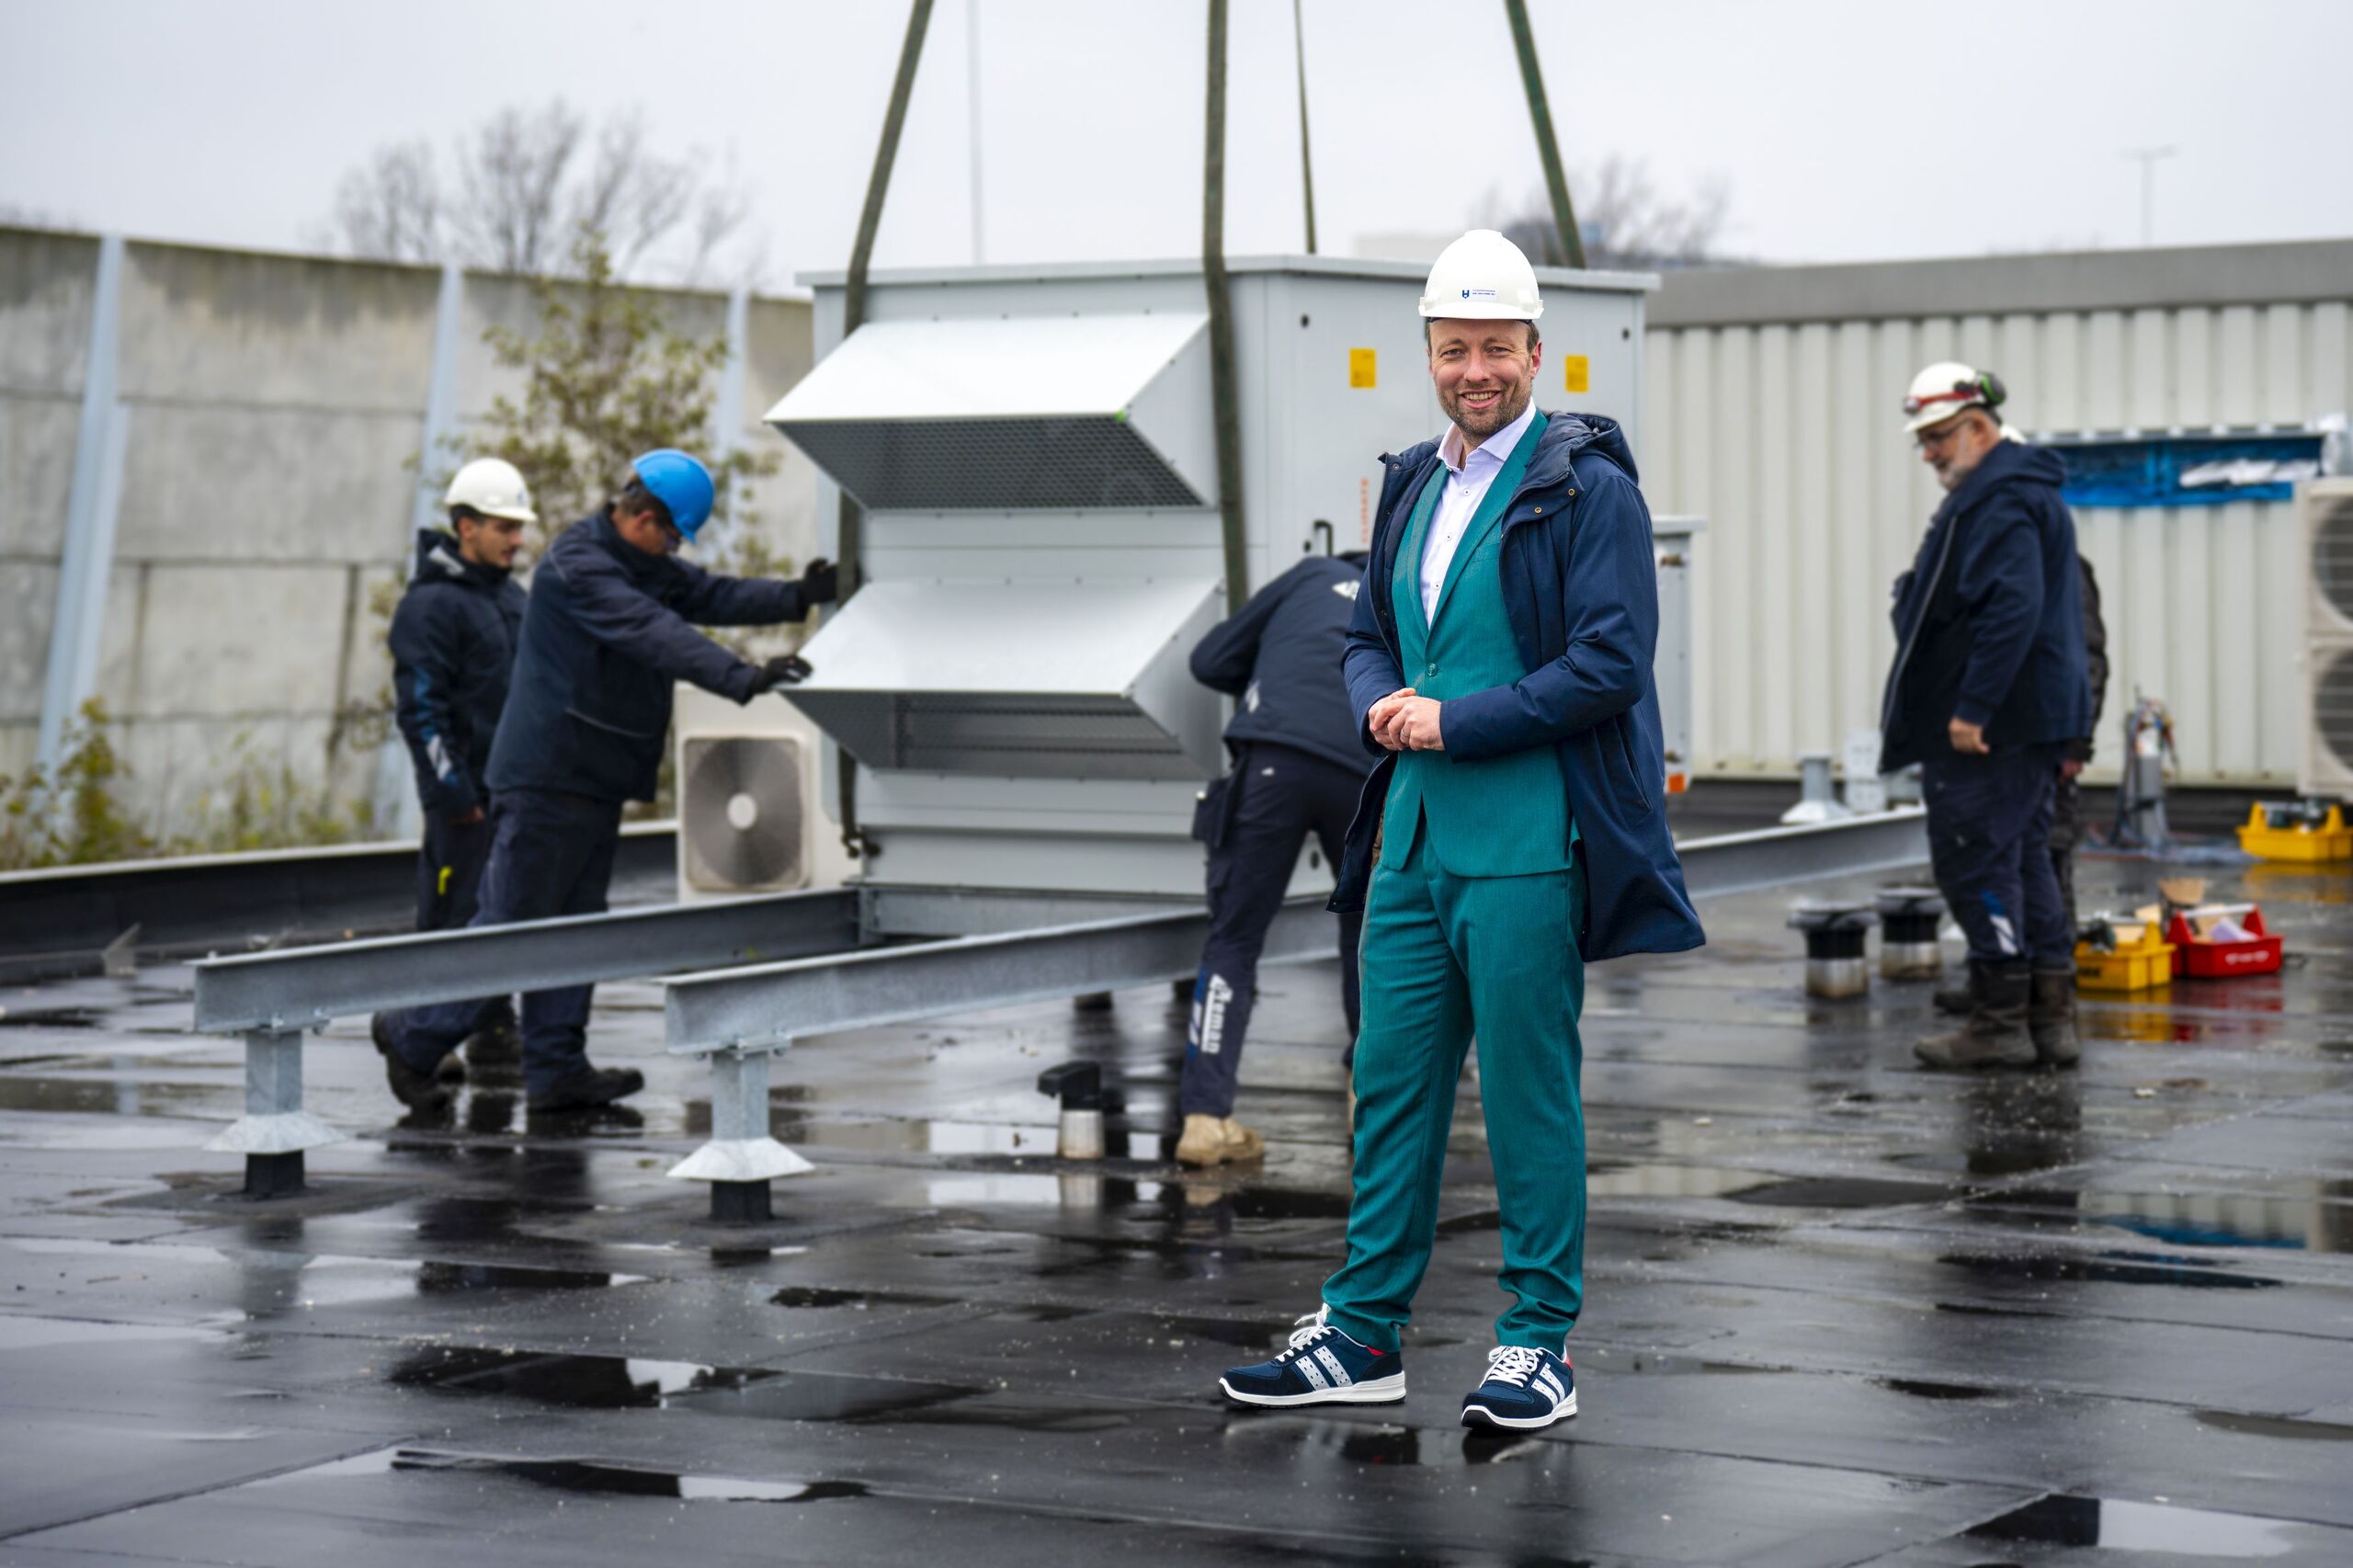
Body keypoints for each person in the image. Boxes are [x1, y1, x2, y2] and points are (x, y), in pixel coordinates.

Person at [1215, 230, 1703, 1432]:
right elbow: (1367, 632)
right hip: (1412, 838)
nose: (1473, 370)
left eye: (1494, 347)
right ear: (1428, 354)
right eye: (1453, 349)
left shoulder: (1589, 490)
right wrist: (1380, 695)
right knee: (1387, 1084)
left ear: (1537, 352)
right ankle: (1362, 1332)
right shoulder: (1411, 484)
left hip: (1527, 835)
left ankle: (1537, 1342)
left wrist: (1454, 719)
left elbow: (1611, 664)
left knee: (1529, 1094)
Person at [372, 449, 837, 1115]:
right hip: (547, 777)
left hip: (592, 777)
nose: (675, 550)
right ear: (644, 520)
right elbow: (652, 630)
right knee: (511, 926)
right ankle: (413, 1038)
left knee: (577, 927)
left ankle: (557, 1070)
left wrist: (796, 596)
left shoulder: (638, 563)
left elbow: (709, 594)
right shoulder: (579, 566)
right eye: (673, 537)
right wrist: (741, 676)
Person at [1880, 364, 2090, 1070]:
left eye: (1938, 437)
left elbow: (2011, 608)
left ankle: (2000, 1024)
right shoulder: (2017, 493)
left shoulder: (1999, 500)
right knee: (2024, 860)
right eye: (1923, 440)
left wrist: (1973, 710)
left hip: (1993, 729)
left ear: (1978, 428)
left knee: (1977, 860)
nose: (1929, 453)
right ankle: (2048, 1020)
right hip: (2027, 723)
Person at [1176, 550, 1373, 1168]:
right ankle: (1366, 1101)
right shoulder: (1399, 596)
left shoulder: (1311, 574)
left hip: (1273, 758)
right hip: (1363, 772)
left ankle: (1205, 1121)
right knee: (1367, 937)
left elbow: (1208, 660)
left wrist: (1273, 674)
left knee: (1233, 940)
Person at [388, 459, 533, 1074]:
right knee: (453, 915)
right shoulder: (431, 607)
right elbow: (421, 712)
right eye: (504, 527)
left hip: (512, 790)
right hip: (465, 800)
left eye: (519, 527)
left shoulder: (511, 598)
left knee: (499, 912)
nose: (517, 540)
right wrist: (455, 794)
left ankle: (493, 1028)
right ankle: (418, 1035)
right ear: (466, 526)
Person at [1935, 551, 2107, 1022]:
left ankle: (2050, 993)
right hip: (1999, 745)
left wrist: (2075, 741)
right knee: (2000, 864)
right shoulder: (1993, 559)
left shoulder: (2059, 566)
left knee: (2045, 857)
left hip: (2041, 744)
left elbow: (2087, 658)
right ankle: (2000, 982)